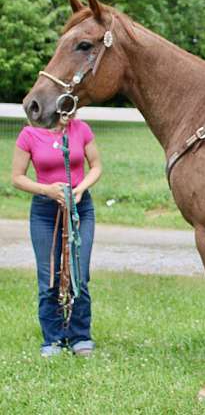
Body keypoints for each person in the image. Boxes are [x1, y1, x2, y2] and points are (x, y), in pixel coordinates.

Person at [11, 114, 102, 357]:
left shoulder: (81, 128)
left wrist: (81, 188)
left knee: (78, 274)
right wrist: (47, 190)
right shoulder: (29, 134)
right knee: (49, 277)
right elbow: (17, 177)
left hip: (80, 207)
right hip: (44, 210)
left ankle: (80, 336)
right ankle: (52, 339)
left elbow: (96, 166)